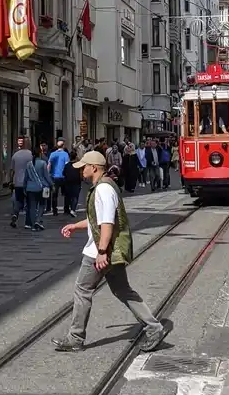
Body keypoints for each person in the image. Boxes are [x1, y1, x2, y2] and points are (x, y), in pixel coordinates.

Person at [51, 150, 169, 353]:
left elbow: (107, 223)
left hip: (101, 250)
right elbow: (97, 220)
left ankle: (75, 337)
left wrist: (102, 251)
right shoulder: (104, 187)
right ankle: (154, 328)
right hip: (110, 250)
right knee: (122, 289)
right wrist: (75, 226)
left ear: (94, 168)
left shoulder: (103, 190)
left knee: (82, 290)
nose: (81, 170)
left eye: (84, 167)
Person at [8, 136, 33, 229]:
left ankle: (15, 214)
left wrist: (11, 181)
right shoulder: (31, 155)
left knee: (18, 201)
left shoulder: (15, 155)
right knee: (29, 203)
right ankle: (28, 223)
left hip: (17, 182)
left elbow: (12, 170)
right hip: (28, 183)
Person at [24, 148, 50, 231]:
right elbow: (46, 176)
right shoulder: (43, 163)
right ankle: (38, 220)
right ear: (40, 154)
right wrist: (51, 184)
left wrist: (25, 187)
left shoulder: (28, 164)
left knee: (32, 207)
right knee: (42, 204)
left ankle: (32, 225)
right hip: (41, 187)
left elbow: (26, 177)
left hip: (30, 188)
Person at [48, 139, 70, 215]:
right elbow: (67, 165)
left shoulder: (52, 154)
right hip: (64, 176)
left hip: (54, 177)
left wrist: (48, 174)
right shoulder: (65, 154)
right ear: (63, 146)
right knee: (66, 194)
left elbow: (49, 165)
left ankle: (55, 210)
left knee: (54, 194)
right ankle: (66, 209)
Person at [62, 149, 84, 216]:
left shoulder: (67, 165)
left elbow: (63, 173)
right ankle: (73, 210)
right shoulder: (78, 165)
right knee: (75, 197)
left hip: (68, 182)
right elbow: (81, 174)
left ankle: (66, 210)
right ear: (76, 157)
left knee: (68, 196)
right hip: (76, 183)